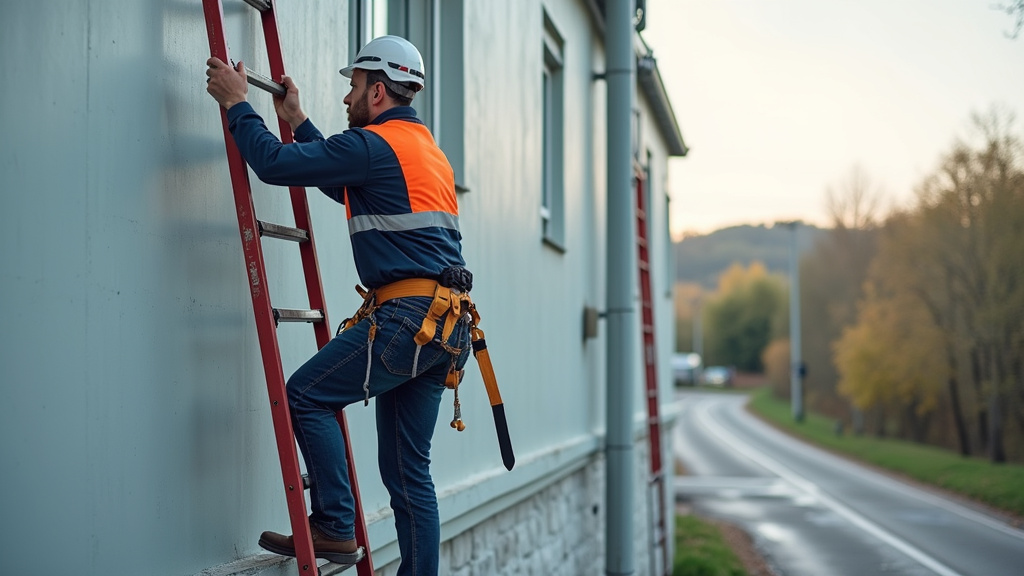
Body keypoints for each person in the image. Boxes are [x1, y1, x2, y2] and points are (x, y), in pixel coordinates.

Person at [205, 35, 472, 576]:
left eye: (352, 87)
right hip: (444, 327)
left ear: (377, 91)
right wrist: (298, 120)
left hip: (406, 320)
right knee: (407, 473)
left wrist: (237, 104)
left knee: (305, 395)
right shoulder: (424, 150)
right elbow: (348, 183)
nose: (346, 98)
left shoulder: (374, 145)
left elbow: (275, 165)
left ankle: (333, 525)